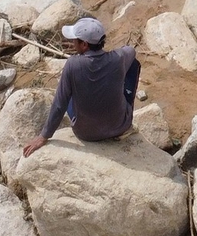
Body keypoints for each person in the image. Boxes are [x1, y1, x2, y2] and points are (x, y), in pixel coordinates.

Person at [21, 16, 139, 158]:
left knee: (69, 90)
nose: (72, 42)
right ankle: (125, 112)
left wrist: (43, 136)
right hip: (120, 126)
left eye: (75, 40)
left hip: (86, 133)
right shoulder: (118, 58)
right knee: (134, 64)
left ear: (84, 45)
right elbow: (131, 51)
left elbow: (60, 104)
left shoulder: (72, 64)